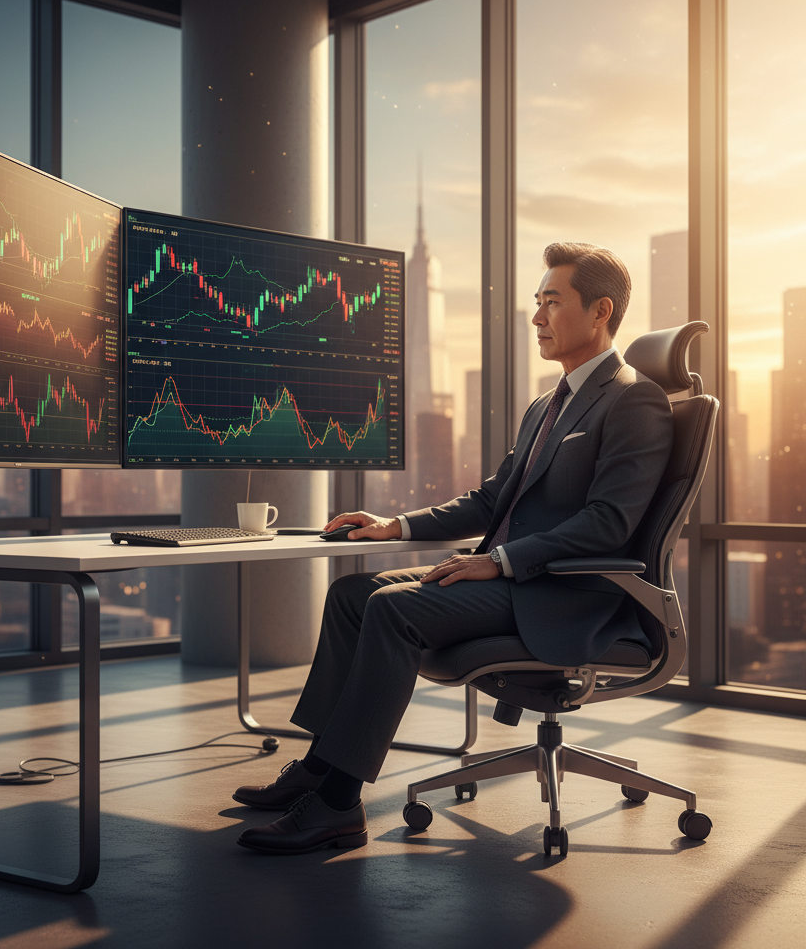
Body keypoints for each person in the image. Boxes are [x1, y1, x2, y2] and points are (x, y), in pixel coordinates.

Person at [233, 242, 674, 854]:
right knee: (353, 594)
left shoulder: (634, 400)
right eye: (536, 302)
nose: (537, 317)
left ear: (600, 311)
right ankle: (318, 767)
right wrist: (396, 525)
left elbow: (609, 523)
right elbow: (493, 499)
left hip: (565, 597)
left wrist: (496, 562)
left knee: (393, 609)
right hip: (515, 583)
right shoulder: (547, 405)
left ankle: (337, 806)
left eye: (552, 302)